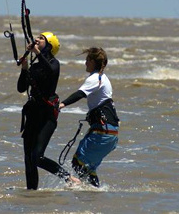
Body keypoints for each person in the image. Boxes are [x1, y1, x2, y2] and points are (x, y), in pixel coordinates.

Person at [17, 32, 80, 190]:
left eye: (41, 38)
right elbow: (21, 88)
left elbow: (51, 72)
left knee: (37, 157)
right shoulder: (36, 66)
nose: (36, 39)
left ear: (49, 45)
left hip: (47, 117)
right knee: (29, 159)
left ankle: (68, 178)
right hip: (32, 114)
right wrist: (24, 69)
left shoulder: (54, 64)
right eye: (36, 37)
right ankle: (31, 193)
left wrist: (37, 52)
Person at [59, 47, 119, 187]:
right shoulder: (104, 78)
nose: (85, 63)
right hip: (109, 133)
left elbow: (80, 93)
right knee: (89, 169)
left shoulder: (95, 78)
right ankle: (93, 194)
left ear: (92, 61)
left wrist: (62, 104)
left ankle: (87, 191)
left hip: (102, 131)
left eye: (87, 60)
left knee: (77, 163)